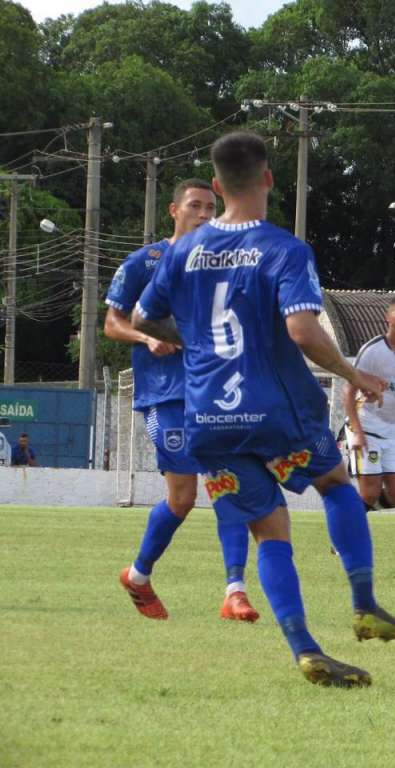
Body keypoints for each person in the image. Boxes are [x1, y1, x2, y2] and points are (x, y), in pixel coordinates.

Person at [133, 130, 395, 688]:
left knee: (269, 532)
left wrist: (194, 339)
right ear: (268, 180)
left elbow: (141, 319)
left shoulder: (183, 250)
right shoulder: (284, 249)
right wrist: (355, 374)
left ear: (215, 185)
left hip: (207, 417)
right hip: (278, 410)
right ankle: (364, 603)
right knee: (334, 482)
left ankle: (305, 648)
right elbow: (303, 331)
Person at [105, 179, 258, 623]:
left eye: (212, 207)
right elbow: (112, 323)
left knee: (228, 485)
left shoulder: (220, 267)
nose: (205, 214)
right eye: (196, 206)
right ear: (174, 210)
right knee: (183, 497)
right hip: (164, 395)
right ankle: (137, 576)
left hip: (212, 393)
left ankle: (235, 591)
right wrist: (145, 337)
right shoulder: (147, 261)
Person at [343, 296, 395, 510]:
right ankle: (345, 538)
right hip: (365, 426)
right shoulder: (372, 350)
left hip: (391, 431)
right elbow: (348, 390)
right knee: (369, 492)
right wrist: (358, 432)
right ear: (387, 317)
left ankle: (349, 519)